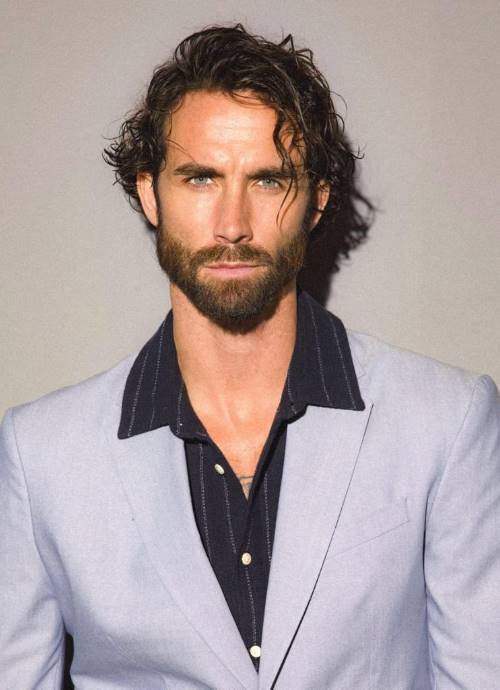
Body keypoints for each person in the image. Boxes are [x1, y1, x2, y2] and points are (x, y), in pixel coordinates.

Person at [1, 24, 499, 690]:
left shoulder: (446, 421)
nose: (232, 224)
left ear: (316, 199)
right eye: (200, 178)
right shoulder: (40, 456)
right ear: (150, 193)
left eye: (268, 181)